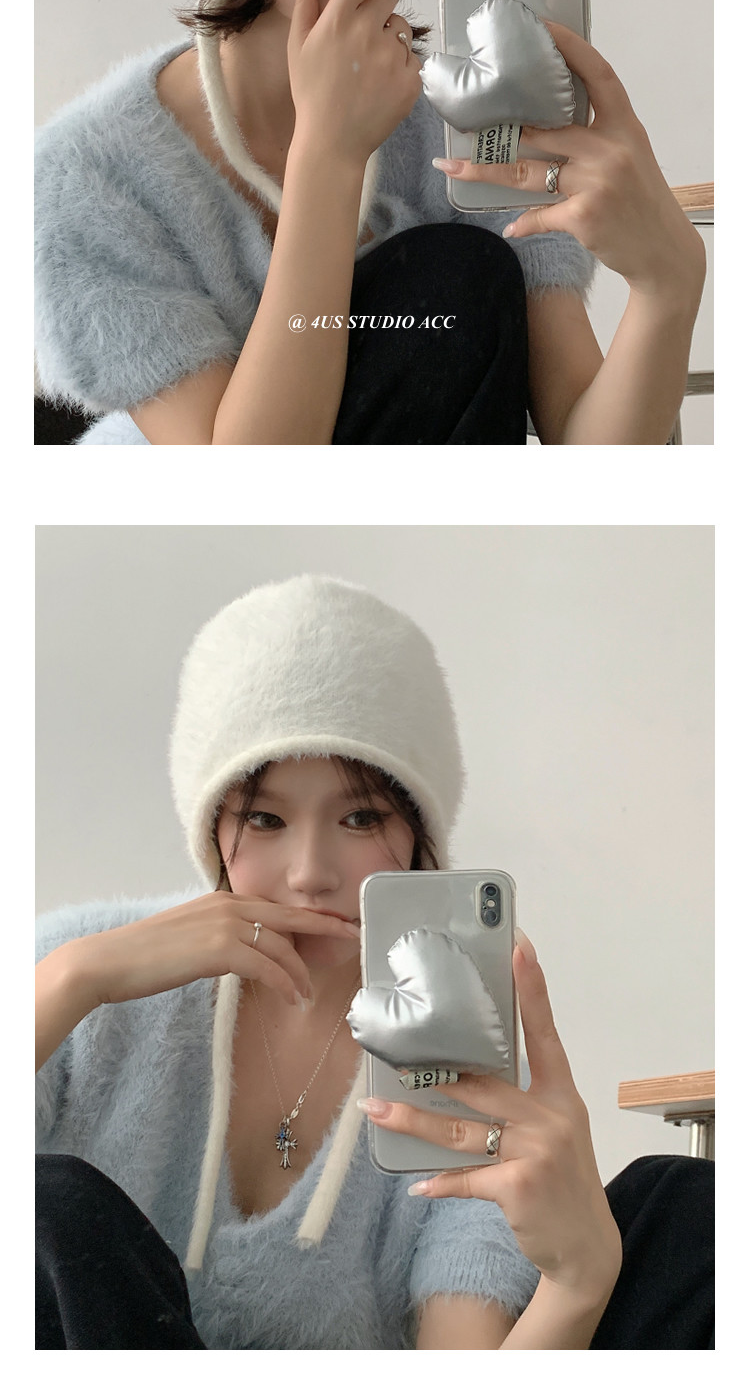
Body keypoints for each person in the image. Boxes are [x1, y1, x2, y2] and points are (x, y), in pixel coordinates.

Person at [35, 576, 714, 1350]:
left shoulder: (453, 1042)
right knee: (45, 1205)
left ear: (421, 833)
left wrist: (578, 1282)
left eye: (360, 817)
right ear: (211, 824)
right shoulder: (85, 970)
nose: (310, 873)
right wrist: (71, 980)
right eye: (265, 818)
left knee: (687, 1206)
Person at [34, 0, 706, 446]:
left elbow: (589, 453)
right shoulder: (85, 179)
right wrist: (329, 154)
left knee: (459, 279)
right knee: (452, 278)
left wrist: (669, 286)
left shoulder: (458, 124)